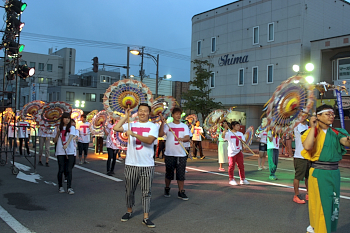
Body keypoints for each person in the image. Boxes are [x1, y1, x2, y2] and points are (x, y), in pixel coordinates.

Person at [302, 105, 350, 233]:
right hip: (319, 173)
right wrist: (313, 127)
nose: (331, 116)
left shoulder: (338, 132)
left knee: (333, 204)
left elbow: (346, 142)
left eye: (332, 114)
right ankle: (318, 229)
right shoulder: (310, 132)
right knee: (321, 206)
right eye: (328, 114)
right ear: (318, 116)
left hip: (334, 172)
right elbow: (307, 146)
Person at [113, 103, 158, 228]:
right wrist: (126, 116)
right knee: (129, 190)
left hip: (147, 164)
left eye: (145, 111)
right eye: (141, 110)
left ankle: (146, 217)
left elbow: (149, 140)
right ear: (137, 112)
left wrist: (133, 134)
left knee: (146, 192)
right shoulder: (131, 124)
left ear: (149, 113)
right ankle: (129, 211)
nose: (143, 113)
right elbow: (116, 128)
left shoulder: (153, 126)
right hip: (131, 163)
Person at [159, 107, 190, 200]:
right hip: (169, 153)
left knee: (181, 174)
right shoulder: (168, 125)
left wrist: (182, 139)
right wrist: (162, 123)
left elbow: (187, 137)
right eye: (176, 114)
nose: (178, 116)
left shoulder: (184, 126)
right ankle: (167, 188)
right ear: (172, 115)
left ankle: (181, 191)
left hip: (181, 154)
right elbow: (160, 135)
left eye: (179, 114)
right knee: (169, 173)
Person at [53, 112, 77, 195]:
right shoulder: (58, 128)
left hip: (69, 151)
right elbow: (54, 141)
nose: (67, 120)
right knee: (61, 169)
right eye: (65, 118)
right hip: (60, 151)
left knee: (69, 169)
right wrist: (57, 133)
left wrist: (66, 144)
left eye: (68, 118)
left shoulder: (72, 127)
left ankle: (69, 187)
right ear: (62, 119)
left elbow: (71, 136)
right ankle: (60, 186)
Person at [223, 121, 250, 186]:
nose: (238, 127)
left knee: (241, 166)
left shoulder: (240, 134)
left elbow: (244, 143)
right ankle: (231, 179)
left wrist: (242, 142)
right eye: (237, 125)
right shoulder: (229, 133)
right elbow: (223, 136)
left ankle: (242, 179)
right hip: (232, 152)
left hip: (239, 152)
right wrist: (225, 129)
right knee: (231, 166)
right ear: (233, 126)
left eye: (239, 125)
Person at [293, 118, 309, 204]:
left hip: (308, 156)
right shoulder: (298, 126)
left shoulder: (308, 126)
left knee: (308, 176)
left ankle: (308, 194)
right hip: (300, 156)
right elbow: (305, 134)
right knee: (298, 176)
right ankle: (296, 195)